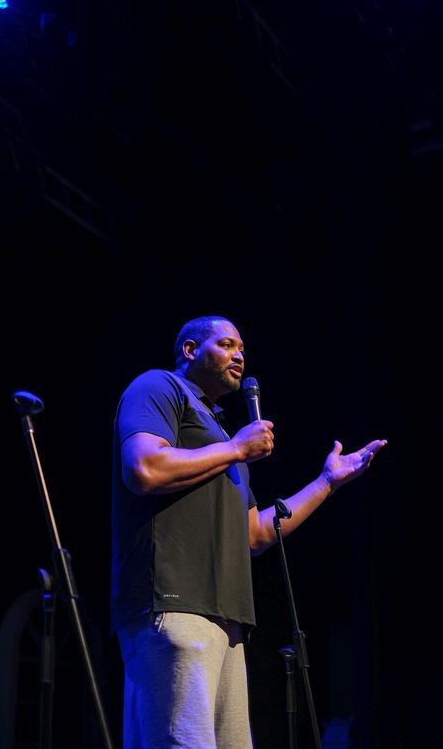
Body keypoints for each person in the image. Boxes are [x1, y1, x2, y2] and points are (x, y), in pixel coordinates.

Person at [111, 315, 387, 749]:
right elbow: (144, 467)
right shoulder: (159, 387)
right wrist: (237, 448)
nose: (239, 356)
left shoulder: (222, 437)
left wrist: (327, 483)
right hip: (174, 603)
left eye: (242, 349)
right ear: (190, 350)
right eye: (226, 345)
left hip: (227, 619)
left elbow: (255, 534)